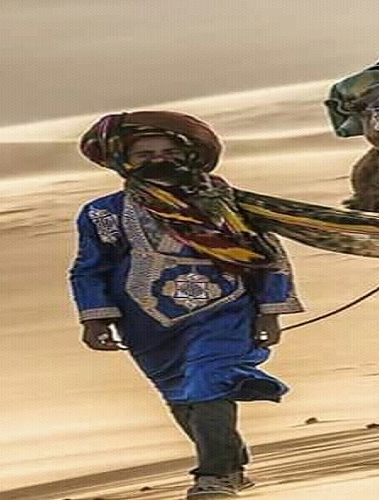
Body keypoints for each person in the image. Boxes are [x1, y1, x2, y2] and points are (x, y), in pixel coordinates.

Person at [69, 111, 304, 499]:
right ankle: (231, 459)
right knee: (180, 394)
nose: (158, 159)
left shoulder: (225, 204)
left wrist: (271, 310)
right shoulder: (103, 214)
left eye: (167, 151)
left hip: (225, 312)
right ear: (123, 160)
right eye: (144, 154)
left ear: (190, 154)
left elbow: (268, 258)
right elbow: (89, 268)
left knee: (209, 381)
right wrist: (94, 319)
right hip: (146, 323)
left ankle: (214, 476)